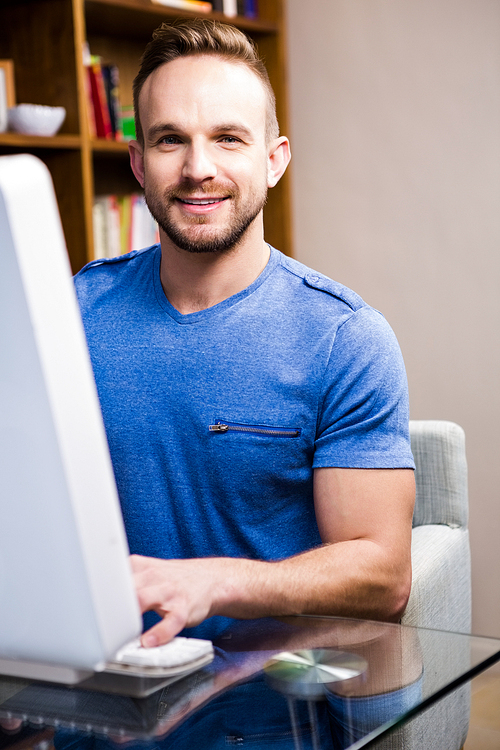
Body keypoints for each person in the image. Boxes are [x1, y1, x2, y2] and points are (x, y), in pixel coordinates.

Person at [74, 18, 415, 647]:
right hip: (95, 697)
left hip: (270, 709)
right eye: (170, 139)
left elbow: (383, 577)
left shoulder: (346, 338)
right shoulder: (71, 316)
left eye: (228, 138)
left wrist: (215, 583)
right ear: (138, 164)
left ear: (274, 158)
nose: (197, 168)